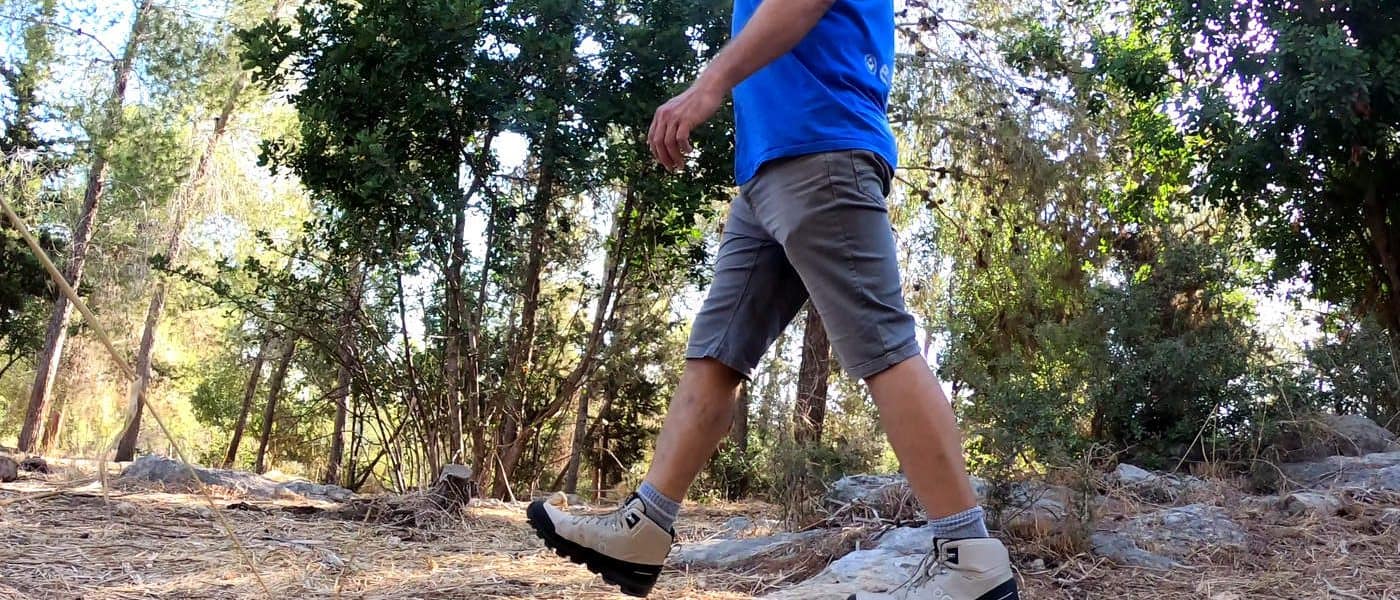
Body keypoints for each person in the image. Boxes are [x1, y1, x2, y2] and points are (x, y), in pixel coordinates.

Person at [526, 0, 1020, 598]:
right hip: (767, 167)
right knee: (718, 351)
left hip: (822, 144)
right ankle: (646, 524)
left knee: (882, 344)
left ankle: (971, 560)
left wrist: (708, 84)